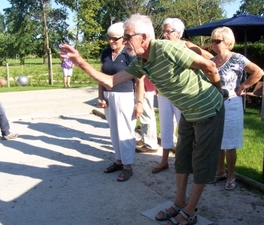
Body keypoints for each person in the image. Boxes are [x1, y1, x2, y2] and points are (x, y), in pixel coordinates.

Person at [61, 13, 224, 225]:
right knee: (182, 159)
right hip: (188, 113)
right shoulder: (141, 62)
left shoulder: (168, 48)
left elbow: (210, 66)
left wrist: (219, 92)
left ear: (144, 37)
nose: (124, 42)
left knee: (201, 163)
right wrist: (81, 62)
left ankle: (190, 210)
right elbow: (111, 81)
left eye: (127, 37)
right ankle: (178, 202)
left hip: (209, 110)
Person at [151, 17, 214, 174]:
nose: (164, 34)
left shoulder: (187, 46)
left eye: (168, 31)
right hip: (165, 94)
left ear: (178, 33)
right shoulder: (160, 47)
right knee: (165, 126)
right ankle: (164, 160)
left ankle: (188, 162)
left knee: (185, 129)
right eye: (163, 31)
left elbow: (211, 59)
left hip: (183, 95)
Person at [209, 26, 264, 190]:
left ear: (227, 42)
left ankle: (231, 175)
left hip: (232, 104)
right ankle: (220, 171)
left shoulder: (237, 59)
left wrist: (244, 86)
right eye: (212, 40)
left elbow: (258, 72)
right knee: (217, 141)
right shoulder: (212, 61)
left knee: (230, 143)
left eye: (217, 41)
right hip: (215, 105)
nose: (213, 44)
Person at [98, 22, 144, 182]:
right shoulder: (105, 53)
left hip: (125, 97)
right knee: (114, 131)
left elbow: (140, 81)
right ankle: (118, 161)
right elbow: (101, 77)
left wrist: (139, 102)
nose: (111, 42)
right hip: (109, 97)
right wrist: (101, 95)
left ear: (123, 39)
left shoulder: (129, 55)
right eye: (109, 39)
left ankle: (127, 166)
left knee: (125, 132)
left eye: (115, 39)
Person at [135, 76, 159, 153]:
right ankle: (145, 138)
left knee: (147, 115)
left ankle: (151, 144)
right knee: (145, 115)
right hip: (144, 84)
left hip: (145, 86)